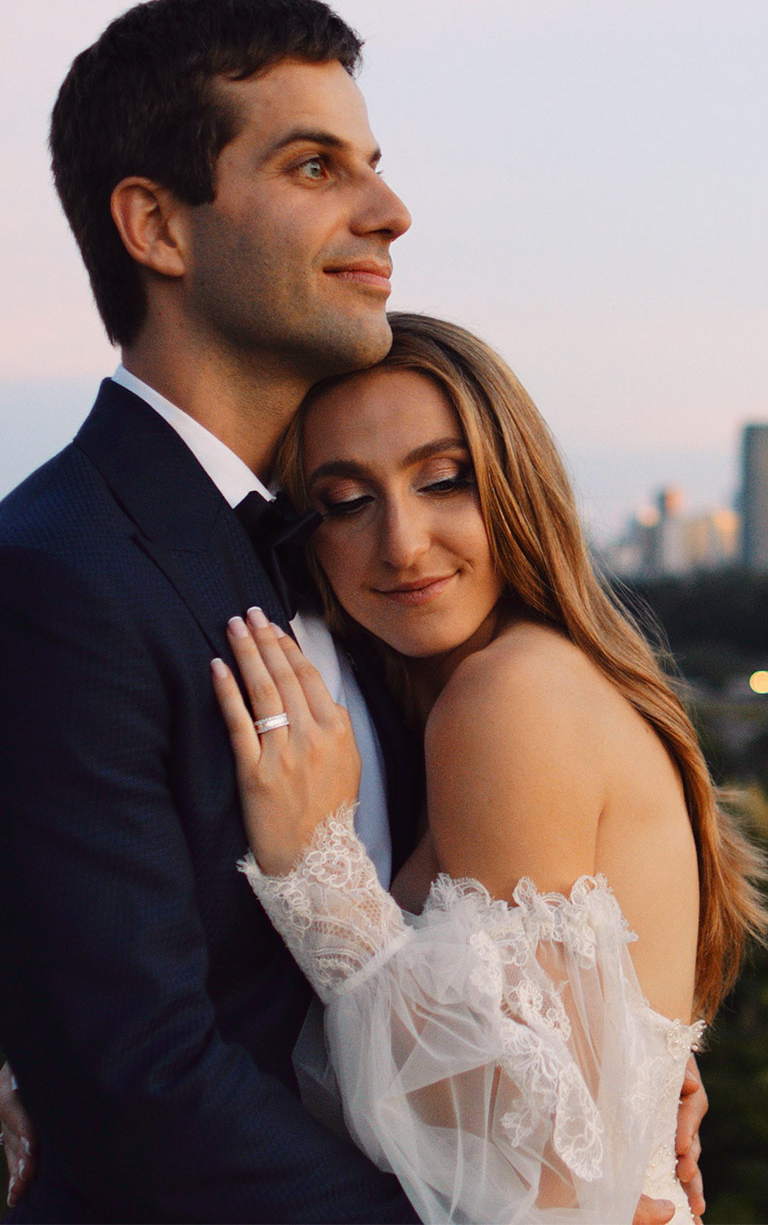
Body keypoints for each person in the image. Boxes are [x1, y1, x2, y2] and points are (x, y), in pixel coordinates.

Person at [0, 0, 706, 1224]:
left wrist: (622, 1091)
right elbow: (137, 1082)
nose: (391, 210)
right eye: (315, 164)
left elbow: (524, 975)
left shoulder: (396, 603)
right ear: (156, 225)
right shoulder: (57, 576)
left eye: (373, 165)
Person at [207, 313, 766, 1223]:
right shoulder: (505, 684)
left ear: (516, 483)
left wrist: (317, 877)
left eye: (444, 480)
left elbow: (539, 1151)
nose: (402, 542)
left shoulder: (507, 699)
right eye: (347, 500)